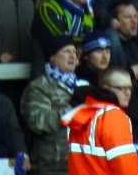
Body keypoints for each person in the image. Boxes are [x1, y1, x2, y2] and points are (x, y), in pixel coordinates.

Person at [61, 67, 138, 175]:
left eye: (130, 88)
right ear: (106, 88)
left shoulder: (80, 114)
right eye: (121, 88)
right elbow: (125, 165)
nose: (128, 93)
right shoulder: (114, 116)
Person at [21, 35, 79, 175]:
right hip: (52, 166)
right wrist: (69, 113)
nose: (72, 56)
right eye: (66, 51)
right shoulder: (39, 86)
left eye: (74, 52)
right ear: (52, 57)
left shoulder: (82, 85)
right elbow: (36, 121)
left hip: (80, 163)